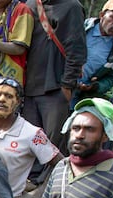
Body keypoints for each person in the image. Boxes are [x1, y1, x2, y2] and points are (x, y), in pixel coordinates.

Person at [0, 77, 62, 198]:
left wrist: (36, 195)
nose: (2, 99)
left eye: (8, 96)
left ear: (18, 102)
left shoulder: (32, 133)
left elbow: (62, 164)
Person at [22, 0, 86, 153]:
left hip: (55, 86)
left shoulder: (71, 6)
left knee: (51, 146)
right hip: (28, 87)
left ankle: (50, 177)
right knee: (28, 143)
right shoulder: (30, 3)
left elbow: (76, 49)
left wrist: (67, 85)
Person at [72, 1, 113, 106]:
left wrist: (96, 86)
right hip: (57, 90)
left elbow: (112, 78)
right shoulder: (81, 28)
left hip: (81, 100)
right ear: (102, 15)